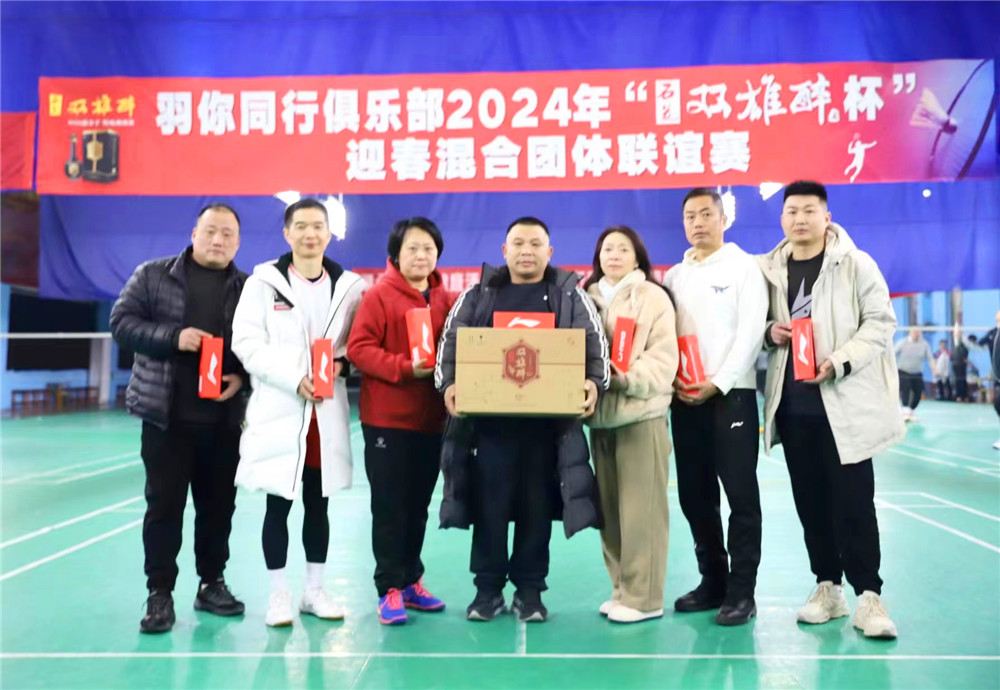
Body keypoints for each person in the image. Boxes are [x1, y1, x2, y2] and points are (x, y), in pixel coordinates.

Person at [434, 216, 608, 623]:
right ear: (504, 250)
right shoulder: (479, 295)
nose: (526, 251)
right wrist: (449, 386)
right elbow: (451, 342)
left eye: (535, 244)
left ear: (550, 252)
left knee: (536, 510)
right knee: (489, 509)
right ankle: (488, 590)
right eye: (518, 243)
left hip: (547, 430)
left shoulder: (569, 296)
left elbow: (594, 344)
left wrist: (594, 383)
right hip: (489, 429)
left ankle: (530, 591)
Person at [759, 180, 903, 640]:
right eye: (792, 211)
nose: (800, 219)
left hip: (845, 410)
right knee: (811, 504)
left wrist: (839, 361)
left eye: (809, 210)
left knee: (855, 504)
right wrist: (768, 332)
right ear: (782, 218)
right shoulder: (769, 270)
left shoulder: (855, 264)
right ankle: (828, 587)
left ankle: (869, 597)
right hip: (793, 409)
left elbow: (880, 323)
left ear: (827, 217)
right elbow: (753, 324)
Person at [110, 203, 248, 634]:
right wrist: (174, 337)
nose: (218, 240)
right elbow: (121, 324)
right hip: (165, 418)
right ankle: (160, 594)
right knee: (164, 508)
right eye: (210, 231)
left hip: (223, 421)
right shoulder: (153, 275)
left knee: (218, 509)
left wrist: (242, 379)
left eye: (227, 234)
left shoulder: (248, 288)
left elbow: (259, 344)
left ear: (238, 242)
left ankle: (212, 584)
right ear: (193, 234)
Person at [232, 199, 365, 627]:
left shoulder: (351, 288)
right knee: (278, 505)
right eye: (301, 226)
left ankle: (314, 591)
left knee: (318, 505)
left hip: (325, 414)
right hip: (280, 410)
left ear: (329, 233)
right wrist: (293, 378)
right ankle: (278, 595)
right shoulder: (263, 283)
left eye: (318, 226)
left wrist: (342, 365)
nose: (310, 234)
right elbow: (246, 343)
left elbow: (357, 344)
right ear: (287, 234)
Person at [663, 188, 768, 627]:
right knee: (694, 495)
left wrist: (718, 382)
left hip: (732, 397)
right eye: (690, 216)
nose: (698, 222)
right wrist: (674, 381)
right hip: (685, 398)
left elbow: (751, 334)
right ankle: (713, 581)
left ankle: (742, 591)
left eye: (707, 214)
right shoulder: (674, 276)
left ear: (724, 219)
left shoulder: (745, 268)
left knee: (740, 496)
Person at [346, 217, 455, 625]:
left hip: (432, 422)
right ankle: (388, 587)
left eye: (428, 248)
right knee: (390, 506)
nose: (421, 256)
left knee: (418, 506)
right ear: (395, 254)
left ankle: (411, 580)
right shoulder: (378, 296)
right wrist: (405, 368)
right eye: (412, 248)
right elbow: (359, 349)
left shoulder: (446, 300)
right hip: (387, 422)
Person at [583, 226, 678, 624]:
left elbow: (664, 358)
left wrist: (625, 378)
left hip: (642, 415)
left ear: (637, 257)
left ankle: (645, 598)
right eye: (608, 249)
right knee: (609, 512)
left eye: (623, 249)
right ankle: (622, 588)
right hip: (600, 421)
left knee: (643, 512)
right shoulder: (585, 298)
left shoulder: (653, 298)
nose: (614, 255)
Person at [894, 328, 934, 421]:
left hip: (917, 372)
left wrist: (934, 370)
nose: (917, 334)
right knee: (905, 390)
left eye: (918, 332)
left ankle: (911, 410)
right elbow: (893, 353)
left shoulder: (924, 344)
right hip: (903, 371)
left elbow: (930, 358)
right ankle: (905, 411)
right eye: (915, 332)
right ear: (910, 332)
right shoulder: (902, 342)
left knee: (918, 393)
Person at [952, 331, 970, 401]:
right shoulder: (956, 347)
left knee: (962, 381)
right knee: (958, 381)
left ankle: (963, 396)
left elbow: (965, 359)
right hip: (956, 366)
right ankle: (959, 396)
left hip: (962, 366)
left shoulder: (964, 347)